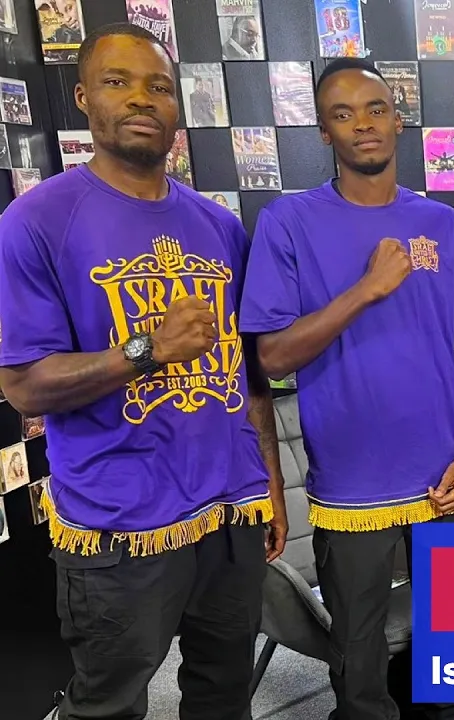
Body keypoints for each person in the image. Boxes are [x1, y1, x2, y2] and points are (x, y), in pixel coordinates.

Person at [0, 23, 287, 720]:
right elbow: (24, 385)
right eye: (117, 81)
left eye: (158, 85)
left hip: (228, 510)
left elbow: (248, 375)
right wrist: (147, 350)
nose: (140, 98)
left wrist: (270, 485)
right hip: (118, 522)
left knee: (224, 695)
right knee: (109, 706)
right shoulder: (36, 220)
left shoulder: (219, 226)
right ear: (82, 98)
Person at [239, 58, 454, 720]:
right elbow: (272, 356)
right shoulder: (288, 222)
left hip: (448, 480)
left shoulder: (441, 222)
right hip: (352, 488)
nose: (363, 125)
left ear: (398, 119)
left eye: (375, 109)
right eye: (343, 114)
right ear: (324, 132)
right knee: (359, 670)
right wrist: (366, 290)